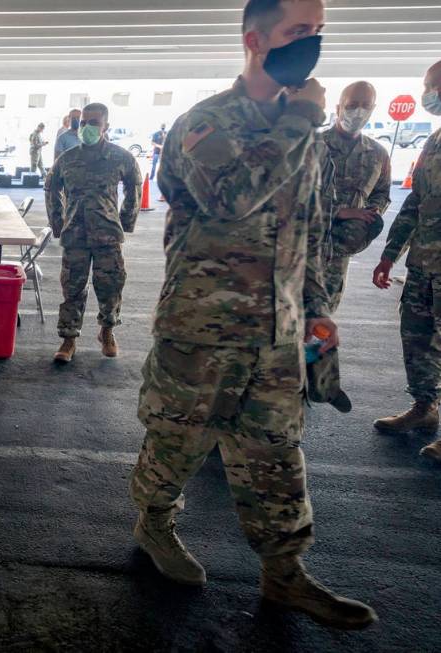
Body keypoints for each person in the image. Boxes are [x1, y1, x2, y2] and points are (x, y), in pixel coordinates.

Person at [128, 0, 377, 630]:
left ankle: (284, 573)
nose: (312, 45)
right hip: (201, 333)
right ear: (253, 39)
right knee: (175, 445)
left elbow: (312, 232)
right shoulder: (205, 123)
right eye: (299, 33)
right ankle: (154, 522)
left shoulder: (307, 135)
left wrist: (318, 312)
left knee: (276, 453)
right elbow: (232, 196)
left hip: (279, 335)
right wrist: (298, 121)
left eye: (318, 33)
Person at [373, 60, 441, 455]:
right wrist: (390, 254)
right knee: (416, 339)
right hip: (423, 265)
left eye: (432, 85)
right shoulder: (434, 141)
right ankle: (424, 407)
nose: (426, 94)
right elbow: (415, 202)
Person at [45, 103, 141, 363]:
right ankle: (68, 339)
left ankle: (107, 331)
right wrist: (57, 222)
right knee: (72, 288)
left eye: (93, 123)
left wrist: (125, 221)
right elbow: (51, 189)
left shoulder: (120, 157)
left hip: (107, 234)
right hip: (75, 233)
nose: (86, 127)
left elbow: (135, 185)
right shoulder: (67, 159)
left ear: (105, 126)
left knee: (110, 285)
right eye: (82, 123)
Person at [320, 82, 390, 312]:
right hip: (305, 246)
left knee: (324, 318)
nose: (358, 111)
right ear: (339, 107)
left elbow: (381, 193)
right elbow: (290, 198)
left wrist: (371, 214)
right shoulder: (313, 146)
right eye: (352, 105)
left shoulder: (377, 154)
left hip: (341, 251)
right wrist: (339, 211)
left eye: (365, 105)